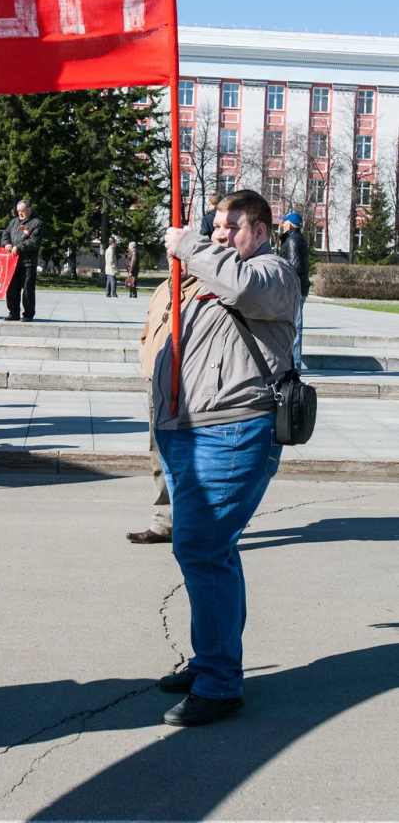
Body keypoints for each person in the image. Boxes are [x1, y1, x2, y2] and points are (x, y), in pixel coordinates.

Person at [154, 190, 300, 727]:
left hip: (233, 432)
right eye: (215, 225)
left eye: (232, 226)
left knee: (203, 547)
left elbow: (240, 286)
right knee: (213, 553)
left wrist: (190, 245)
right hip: (188, 430)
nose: (219, 234)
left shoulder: (272, 274)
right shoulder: (216, 273)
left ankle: (220, 682)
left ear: (261, 231)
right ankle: (211, 659)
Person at [126, 263, 201, 544]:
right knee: (158, 453)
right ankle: (164, 522)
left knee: (188, 458)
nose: (174, 257)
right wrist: (146, 353)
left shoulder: (203, 289)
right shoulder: (163, 286)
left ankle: (193, 524)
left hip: (185, 385)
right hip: (155, 381)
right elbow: (150, 327)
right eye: (170, 251)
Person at [278, 211, 310, 370]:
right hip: (296, 288)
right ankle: (292, 365)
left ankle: (295, 367)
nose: (282, 224)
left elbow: (295, 267)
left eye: (284, 222)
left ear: (289, 224)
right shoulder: (295, 239)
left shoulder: (292, 241)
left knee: (295, 328)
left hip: (295, 290)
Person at [1, 200, 43, 322]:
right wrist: (6, 244)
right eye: (18, 211)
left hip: (28, 262)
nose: (20, 214)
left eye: (22, 211)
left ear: (29, 210)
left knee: (27, 290)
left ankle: (28, 314)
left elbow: (34, 242)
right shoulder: (13, 222)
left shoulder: (37, 223)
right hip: (12, 262)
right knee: (12, 289)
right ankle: (13, 313)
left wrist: (19, 246)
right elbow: (5, 235)